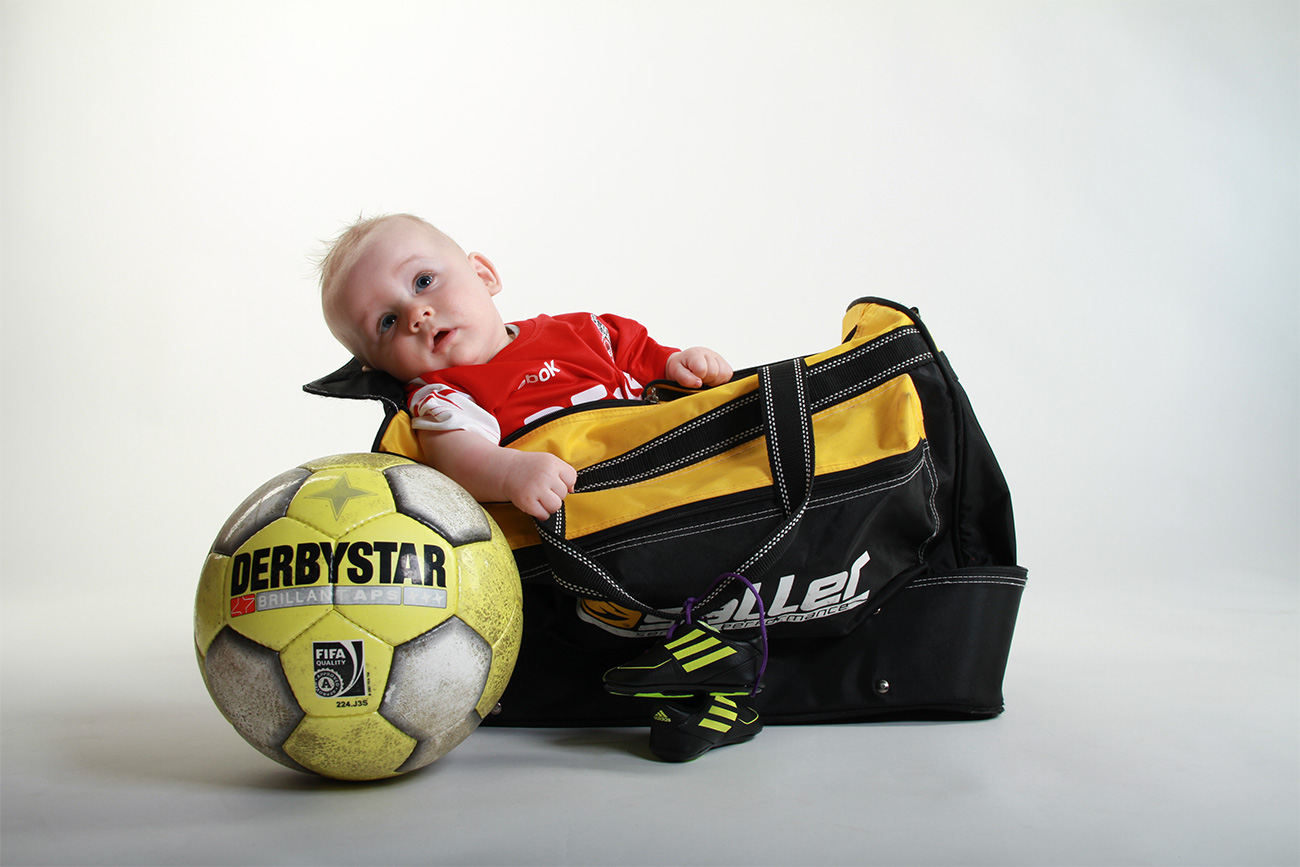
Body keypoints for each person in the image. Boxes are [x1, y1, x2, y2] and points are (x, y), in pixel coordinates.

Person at [318, 213, 763, 760]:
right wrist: (510, 472)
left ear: (483, 273)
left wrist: (679, 362)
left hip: (670, 480)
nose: (417, 313)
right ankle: (704, 670)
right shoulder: (443, 397)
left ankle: (725, 647)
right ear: (375, 363)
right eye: (387, 322)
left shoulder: (580, 329)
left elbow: (640, 357)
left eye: (424, 282)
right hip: (589, 525)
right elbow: (461, 456)